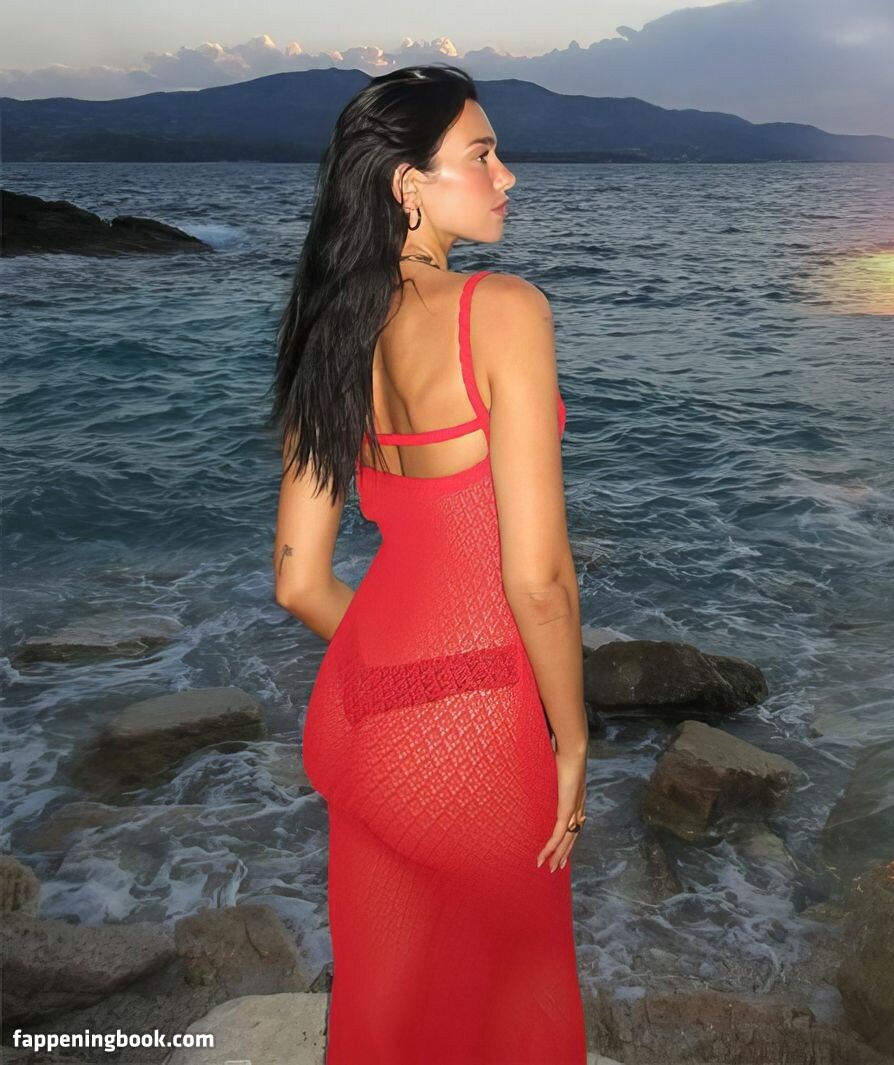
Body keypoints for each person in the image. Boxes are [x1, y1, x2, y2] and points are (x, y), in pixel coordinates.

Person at [268, 64, 589, 1063]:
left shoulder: (332, 325)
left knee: (389, 1007)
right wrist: (572, 737)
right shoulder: (502, 309)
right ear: (408, 183)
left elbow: (298, 581)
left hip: (356, 717)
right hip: (474, 743)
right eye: (482, 154)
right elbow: (538, 581)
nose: (508, 175)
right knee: (518, 1008)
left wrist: (406, 679)